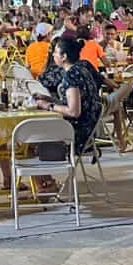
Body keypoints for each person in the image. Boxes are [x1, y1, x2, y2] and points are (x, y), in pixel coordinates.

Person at [31, 37, 103, 192]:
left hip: (77, 135)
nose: (53, 55)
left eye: (56, 52)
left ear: (64, 57)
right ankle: (46, 180)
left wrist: (48, 105)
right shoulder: (82, 69)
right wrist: (50, 99)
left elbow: (73, 111)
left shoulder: (71, 76)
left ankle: (44, 184)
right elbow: (73, 101)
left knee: (30, 139)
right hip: (89, 129)